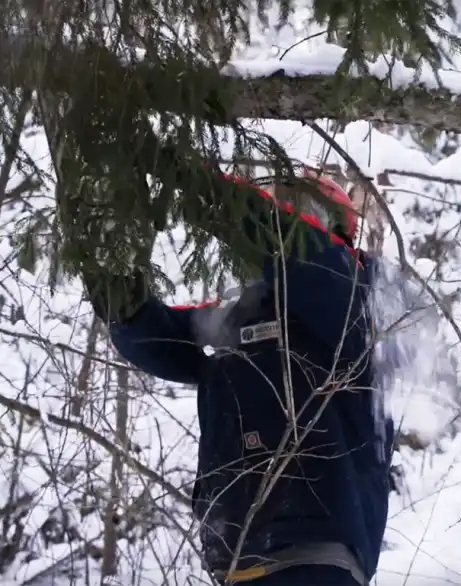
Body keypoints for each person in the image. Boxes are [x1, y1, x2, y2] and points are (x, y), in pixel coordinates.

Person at [82, 168, 395, 586]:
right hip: (236, 561)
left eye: (296, 210)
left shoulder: (357, 302)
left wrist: (198, 187)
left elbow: (303, 256)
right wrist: (116, 290)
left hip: (318, 560)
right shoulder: (239, 321)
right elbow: (157, 339)